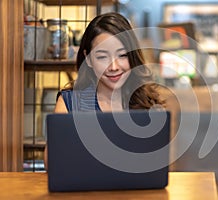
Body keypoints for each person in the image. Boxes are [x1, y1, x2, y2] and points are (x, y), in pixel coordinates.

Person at [44, 12, 165, 169]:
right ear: (88, 58)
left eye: (122, 55)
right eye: (102, 57)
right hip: (84, 192)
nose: (114, 67)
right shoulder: (70, 103)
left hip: (134, 192)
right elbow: (51, 164)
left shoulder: (149, 104)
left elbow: (158, 165)